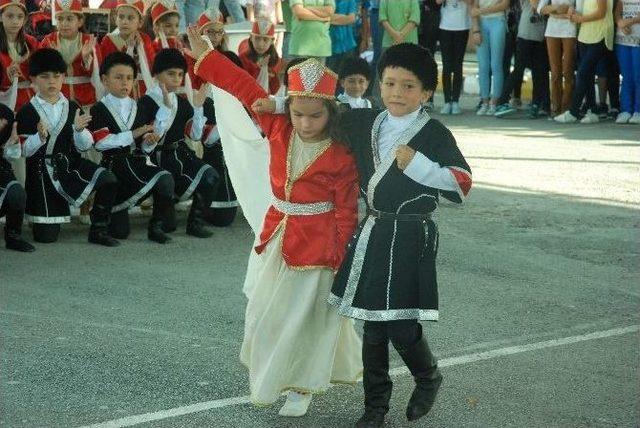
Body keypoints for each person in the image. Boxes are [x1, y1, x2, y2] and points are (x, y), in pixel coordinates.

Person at [187, 26, 363, 417]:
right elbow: (244, 87)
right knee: (265, 312)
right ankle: (275, 373)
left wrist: (342, 258)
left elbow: (347, 211)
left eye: (314, 116)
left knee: (307, 319)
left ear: (330, 112)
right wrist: (207, 53)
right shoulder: (279, 124)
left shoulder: (341, 154)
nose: (304, 123)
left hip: (319, 248)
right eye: (297, 113)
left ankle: (302, 386)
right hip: (277, 235)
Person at [328, 43, 472, 428]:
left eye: (409, 86)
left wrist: (420, 164)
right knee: (373, 327)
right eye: (390, 83)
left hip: (411, 236)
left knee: (402, 326)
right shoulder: (364, 122)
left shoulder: (435, 133)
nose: (397, 93)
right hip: (375, 230)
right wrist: (275, 106)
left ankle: (428, 376)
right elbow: (319, 114)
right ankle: (375, 407)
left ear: (427, 93)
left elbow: (461, 185)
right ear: (379, 85)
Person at [17, 48, 120, 246]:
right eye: (44, 77)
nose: (52, 82)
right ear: (33, 79)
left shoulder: (73, 107)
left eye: (57, 76)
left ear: (64, 76)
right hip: (42, 175)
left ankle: (98, 228)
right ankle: (39, 220)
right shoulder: (27, 112)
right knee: (46, 238)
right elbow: (23, 152)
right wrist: (39, 137)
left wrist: (80, 131)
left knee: (108, 179)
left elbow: (85, 147)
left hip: (71, 164)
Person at [89, 52, 177, 243]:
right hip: (114, 165)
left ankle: (156, 227)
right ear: (105, 80)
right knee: (120, 232)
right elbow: (101, 142)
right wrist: (134, 134)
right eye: (118, 77)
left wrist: (149, 140)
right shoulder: (99, 108)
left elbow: (143, 146)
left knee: (165, 178)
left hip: (136, 162)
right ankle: (97, 229)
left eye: (129, 78)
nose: (125, 83)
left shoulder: (138, 107)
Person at [137, 48, 218, 238]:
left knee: (211, 176)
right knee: (168, 226)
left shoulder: (182, 103)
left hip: (179, 155)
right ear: (157, 74)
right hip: (155, 157)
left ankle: (195, 223)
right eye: (171, 74)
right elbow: (144, 143)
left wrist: (198, 108)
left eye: (180, 74)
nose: (176, 79)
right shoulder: (146, 103)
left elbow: (195, 136)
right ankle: (158, 220)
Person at [554, 0, 614, 123]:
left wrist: (580, 19)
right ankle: (593, 111)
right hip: (585, 36)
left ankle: (573, 112)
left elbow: (601, 13)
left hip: (600, 35)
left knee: (582, 73)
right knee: (588, 76)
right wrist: (573, 13)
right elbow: (588, 12)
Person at [39, 0, 100, 109]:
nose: (64, 23)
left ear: (80, 21)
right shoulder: (48, 41)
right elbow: (40, 73)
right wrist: (55, 60)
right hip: (56, 99)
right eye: (60, 19)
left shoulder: (89, 41)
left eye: (69, 19)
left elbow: (99, 74)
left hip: (86, 100)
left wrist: (86, 59)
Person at [493, 0, 550, 118]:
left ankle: (536, 104)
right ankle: (501, 102)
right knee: (519, 69)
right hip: (526, 34)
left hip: (540, 35)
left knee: (539, 71)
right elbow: (535, 4)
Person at [100, 0, 156, 99]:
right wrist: (128, 48)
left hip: (142, 90)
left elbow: (151, 65)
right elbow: (105, 67)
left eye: (130, 18)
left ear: (140, 22)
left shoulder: (145, 39)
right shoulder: (108, 40)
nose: (125, 21)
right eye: (121, 17)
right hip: (117, 90)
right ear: (115, 19)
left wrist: (140, 47)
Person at [0, 99, 34, 252]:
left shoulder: (5, 114)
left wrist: (13, 144)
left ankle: (13, 237)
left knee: (17, 193)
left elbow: (11, 156)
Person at [471, 0, 510, 115]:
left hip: (498, 21)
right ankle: (484, 101)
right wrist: (475, 30)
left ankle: (494, 102)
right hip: (481, 23)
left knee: (496, 64)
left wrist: (482, 11)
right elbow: (474, 8)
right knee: (483, 65)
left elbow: (504, 4)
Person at [539, 0, 577, 117]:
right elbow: (540, 9)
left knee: (568, 71)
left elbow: (576, 11)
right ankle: (555, 107)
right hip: (552, 31)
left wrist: (554, 13)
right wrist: (556, 7)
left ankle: (566, 108)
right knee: (555, 73)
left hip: (570, 30)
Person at [0, 0, 38, 111]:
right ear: (1, 17)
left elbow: (41, 72)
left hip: (32, 102)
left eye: (20, 16)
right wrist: (6, 77)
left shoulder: (32, 42)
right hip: (4, 103)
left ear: (25, 19)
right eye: (10, 16)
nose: (15, 21)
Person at [437, 0, 473, 115]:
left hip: (462, 27)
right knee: (446, 66)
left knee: (458, 65)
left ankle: (456, 101)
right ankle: (447, 101)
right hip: (445, 27)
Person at [239, 19, 283, 94]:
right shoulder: (243, 58)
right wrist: (259, 69)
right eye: (257, 38)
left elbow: (275, 88)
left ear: (272, 40)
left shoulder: (276, 61)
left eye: (265, 39)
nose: (260, 44)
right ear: (251, 37)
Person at [613, 0, 640, 124]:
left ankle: (638, 110)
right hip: (623, 40)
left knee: (638, 76)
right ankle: (625, 110)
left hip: (638, 40)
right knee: (626, 76)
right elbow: (617, 12)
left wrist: (627, 22)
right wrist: (619, 23)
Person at [326, 0, 357, 72]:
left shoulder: (351, 1)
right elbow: (321, 16)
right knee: (329, 78)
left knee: (348, 76)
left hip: (348, 44)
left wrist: (329, 18)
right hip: (330, 45)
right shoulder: (325, 1)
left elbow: (351, 19)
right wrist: (344, 18)